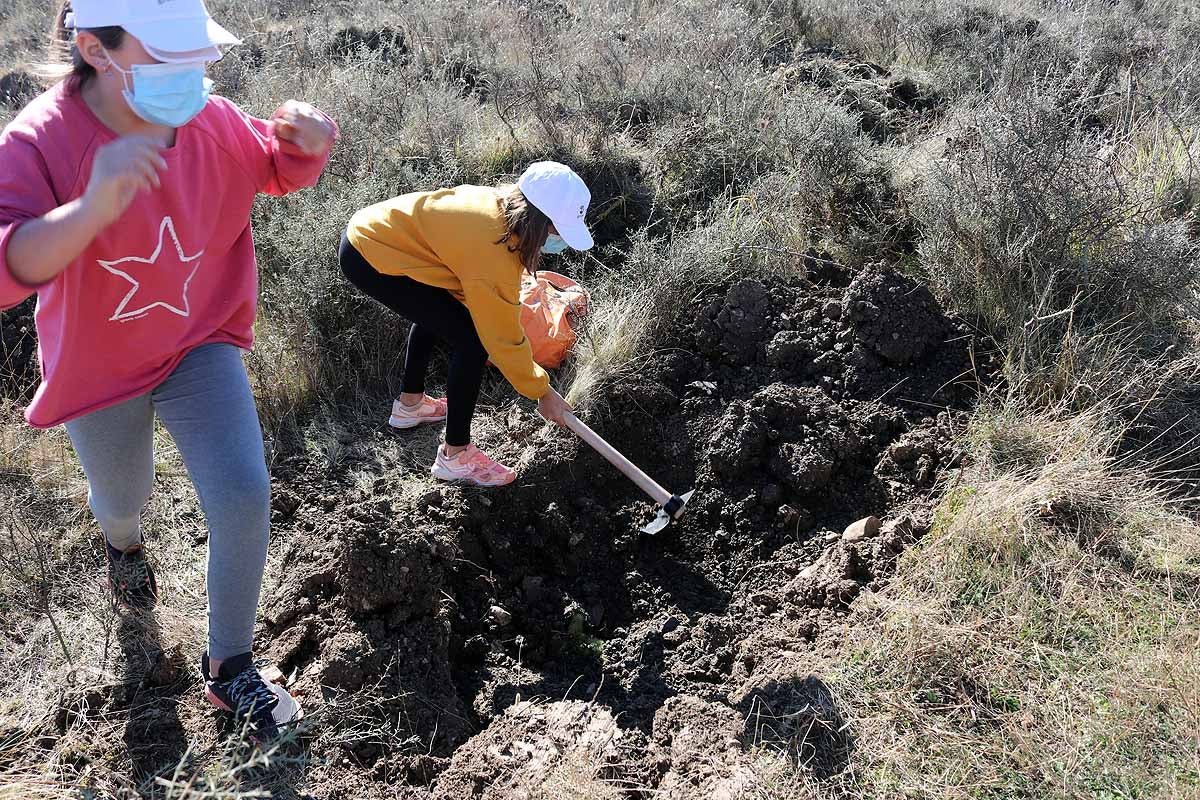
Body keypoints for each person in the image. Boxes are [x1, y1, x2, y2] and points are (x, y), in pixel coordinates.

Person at [0, 0, 337, 741]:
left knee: (244, 494)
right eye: (168, 59)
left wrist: (311, 144)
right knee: (124, 496)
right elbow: (6, 268)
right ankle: (123, 546)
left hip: (197, 340)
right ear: (95, 48)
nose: (193, 77)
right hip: (99, 368)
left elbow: (275, 167)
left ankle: (230, 667)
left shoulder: (208, 121)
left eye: (198, 58)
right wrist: (93, 205)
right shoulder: (37, 140)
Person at [339, 161, 590, 486]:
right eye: (556, 231)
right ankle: (455, 456)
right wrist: (542, 392)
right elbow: (502, 338)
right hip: (371, 254)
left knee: (441, 312)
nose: (557, 241)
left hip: (380, 238)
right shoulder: (493, 247)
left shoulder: (499, 210)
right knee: (472, 340)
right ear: (540, 221)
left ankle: (409, 407)